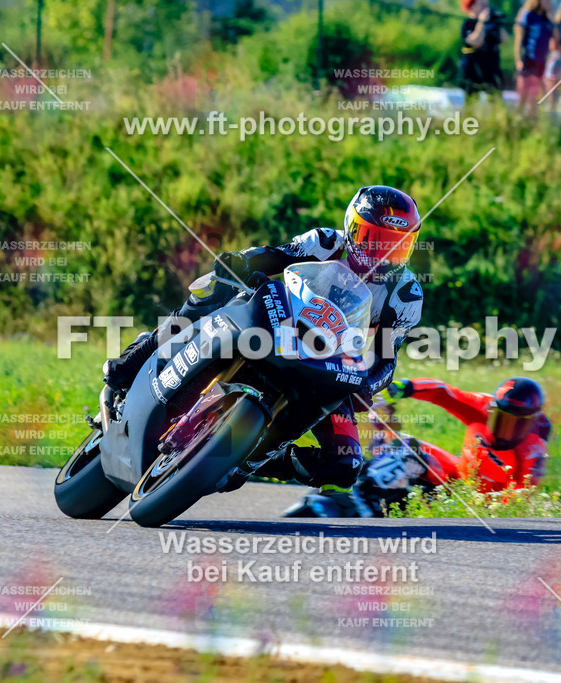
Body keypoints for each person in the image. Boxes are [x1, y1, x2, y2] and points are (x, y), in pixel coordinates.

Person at [103, 186, 424, 490]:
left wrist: (368, 382)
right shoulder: (326, 242)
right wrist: (241, 263)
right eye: (375, 239)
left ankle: (245, 460)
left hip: (330, 361)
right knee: (213, 288)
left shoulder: (405, 294)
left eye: (398, 245)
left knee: (345, 465)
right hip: (276, 319)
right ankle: (133, 361)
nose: (385, 253)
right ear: (354, 230)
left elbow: (386, 356)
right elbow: (271, 256)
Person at [288, 377, 551, 518]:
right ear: (492, 409)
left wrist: (478, 508)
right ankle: (349, 495)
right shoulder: (480, 406)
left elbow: (518, 502)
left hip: (476, 505)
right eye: (500, 419)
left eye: (514, 424)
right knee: (407, 448)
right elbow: (441, 391)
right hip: (455, 474)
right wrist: (402, 388)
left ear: (532, 423)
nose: (503, 429)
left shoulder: (533, 452)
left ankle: (369, 505)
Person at [514, 0, 554, 116]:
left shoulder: (547, 20)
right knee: (523, 94)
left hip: (541, 62)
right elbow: (519, 38)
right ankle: (517, 121)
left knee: (535, 96)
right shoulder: (527, 15)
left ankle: (532, 123)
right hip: (528, 59)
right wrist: (518, 59)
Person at [459, 0, 508, 95]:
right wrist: (481, 23)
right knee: (471, 103)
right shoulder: (468, 24)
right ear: (472, 5)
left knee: (496, 103)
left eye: (486, 5)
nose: (485, 9)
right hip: (474, 71)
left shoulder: (492, 24)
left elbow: (505, 40)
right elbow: (476, 42)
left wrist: (497, 22)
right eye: (482, 5)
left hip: (491, 70)